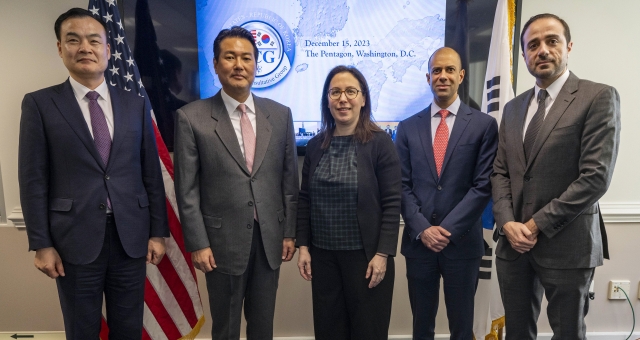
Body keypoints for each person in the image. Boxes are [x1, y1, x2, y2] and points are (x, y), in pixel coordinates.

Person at [18, 8, 168, 340]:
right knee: (82, 329)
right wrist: (41, 244)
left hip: (131, 237)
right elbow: (33, 180)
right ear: (60, 48)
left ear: (108, 49)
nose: (85, 47)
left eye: (94, 40)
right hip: (73, 240)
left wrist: (158, 232)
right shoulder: (40, 104)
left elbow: (150, 172)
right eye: (73, 40)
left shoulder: (135, 102)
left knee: (128, 329)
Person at [492, 13, 621, 340]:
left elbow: (595, 177)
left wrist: (534, 225)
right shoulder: (513, 109)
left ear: (568, 46)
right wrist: (508, 223)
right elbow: (500, 171)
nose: (542, 50)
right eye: (532, 45)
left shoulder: (598, 97)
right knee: (517, 333)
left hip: (567, 245)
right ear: (523, 55)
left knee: (567, 333)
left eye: (552, 41)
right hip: (513, 245)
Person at [173, 26, 299, 340]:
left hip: (269, 239)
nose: (239, 65)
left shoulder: (280, 115)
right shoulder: (192, 117)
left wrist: (289, 232)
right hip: (220, 243)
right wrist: (198, 243)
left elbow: (288, 182)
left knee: (262, 327)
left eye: (246, 57)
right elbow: (186, 190)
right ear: (216, 65)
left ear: (257, 64)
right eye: (230, 57)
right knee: (226, 328)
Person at [395, 47, 498, 340]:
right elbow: (400, 186)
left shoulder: (483, 126)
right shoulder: (407, 127)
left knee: (462, 328)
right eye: (437, 71)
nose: (443, 76)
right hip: (419, 244)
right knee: (421, 327)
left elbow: (482, 187)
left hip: (463, 245)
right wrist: (423, 229)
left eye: (450, 70)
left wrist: (447, 230)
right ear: (428, 77)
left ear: (461, 76)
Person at [296, 65, 401, 340]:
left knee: (368, 331)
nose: (343, 98)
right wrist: (303, 246)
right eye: (335, 92)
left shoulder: (380, 143)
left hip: (366, 259)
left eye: (351, 91)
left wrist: (383, 254)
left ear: (363, 98)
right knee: (329, 331)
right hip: (324, 259)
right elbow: (305, 198)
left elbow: (392, 203)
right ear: (327, 100)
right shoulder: (315, 145)